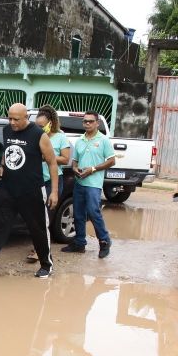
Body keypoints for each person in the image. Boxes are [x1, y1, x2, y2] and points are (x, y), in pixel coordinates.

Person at [0, 103, 59, 279]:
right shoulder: (7, 130)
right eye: (9, 118)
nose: (12, 122)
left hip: (31, 191)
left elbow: (52, 163)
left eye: (16, 119)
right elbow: (8, 151)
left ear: (26, 118)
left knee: (38, 229)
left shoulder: (39, 135)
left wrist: (54, 192)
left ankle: (46, 264)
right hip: (8, 188)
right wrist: (2, 165)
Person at [63, 110, 116, 258]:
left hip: (94, 183)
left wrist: (93, 169)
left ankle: (104, 241)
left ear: (97, 123)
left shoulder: (103, 140)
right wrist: (75, 169)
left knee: (93, 212)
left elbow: (112, 161)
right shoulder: (80, 140)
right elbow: (74, 162)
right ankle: (79, 243)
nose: (87, 123)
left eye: (90, 121)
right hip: (80, 182)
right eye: (85, 121)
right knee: (78, 213)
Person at [26, 105, 70, 262]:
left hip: (52, 182)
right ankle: (38, 246)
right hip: (36, 181)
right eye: (37, 125)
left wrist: (48, 156)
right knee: (35, 216)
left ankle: (39, 250)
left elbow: (65, 159)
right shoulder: (35, 136)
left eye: (41, 125)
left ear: (50, 123)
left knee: (45, 218)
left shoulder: (60, 137)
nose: (39, 128)